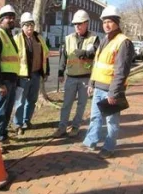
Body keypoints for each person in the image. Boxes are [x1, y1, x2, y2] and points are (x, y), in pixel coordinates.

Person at [82, 6, 134, 158]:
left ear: (117, 22)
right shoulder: (105, 39)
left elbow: (121, 71)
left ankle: (109, 147)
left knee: (112, 122)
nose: (106, 25)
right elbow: (97, 64)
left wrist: (114, 92)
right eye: (104, 22)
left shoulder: (123, 42)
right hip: (98, 87)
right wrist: (92, 83)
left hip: (111, 90)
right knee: (95, 117)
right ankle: (91, 141)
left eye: (110, 21)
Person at [54, 10, 99, 138]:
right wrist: (60, 73)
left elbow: (95, 53)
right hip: (71, 77)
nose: (77, 26)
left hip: (86, 78)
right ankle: (62, 127)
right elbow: (63, 57)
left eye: (80, 23)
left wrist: (84, 53)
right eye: (75, 24)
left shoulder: (94, 38)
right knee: (66, 104)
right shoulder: (68, 39)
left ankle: (75, 127)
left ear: (87, 23)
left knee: (81, 105)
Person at [13, 12, 50, 135]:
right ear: (22, 26)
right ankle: (18, 124)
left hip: (36, 75)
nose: (30, 28)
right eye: (27, 25)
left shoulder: (39, 38)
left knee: (32, 100)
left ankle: (26, 121)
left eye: (31, 25)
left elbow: (45, 55)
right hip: (22, 77)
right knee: (20, 102)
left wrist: (46, 72)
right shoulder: (17, 39)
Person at [0, 4, 19, 148]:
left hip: (11, 80)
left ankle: (2, 135)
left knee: (7, 111)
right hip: (2, 82)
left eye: (12, 17)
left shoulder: (10, 36)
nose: (11, 19)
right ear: (1, 20)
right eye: (8, 17)